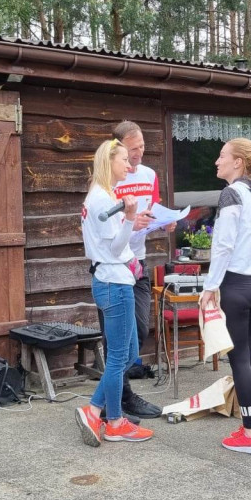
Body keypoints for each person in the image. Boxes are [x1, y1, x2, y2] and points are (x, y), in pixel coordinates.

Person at [76, 139, 154, 447]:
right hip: (113, 282)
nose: (130, 165)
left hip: (113, 277)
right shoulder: (101, 199)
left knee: (129, 354)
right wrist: (131, 217)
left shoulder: (102, 195)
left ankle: (96, 410)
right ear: (109, 161)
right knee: (120, 356)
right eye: (125, 160)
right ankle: (113, 421)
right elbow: (115, 247)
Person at [199, 138, 251, 455]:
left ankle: (248, 434)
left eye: (222, 156)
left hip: (237, 285)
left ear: (238, 163)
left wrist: (209, 286)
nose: (217, 161)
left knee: (240, 358)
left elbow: (224, 246)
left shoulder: (232, 194)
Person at [98, 120, 167, 418]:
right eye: (133, 149)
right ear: (118, 148)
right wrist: (130, 222)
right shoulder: (107, 183)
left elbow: (151, 210)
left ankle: (104, 401)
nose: (139, 153)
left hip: (138, 261)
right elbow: (110, 232)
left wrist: (163, 220)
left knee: (138, 330)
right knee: (118, 341)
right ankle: (120, 399)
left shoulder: (150, 174)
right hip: (114, 266)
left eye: (142, 147)